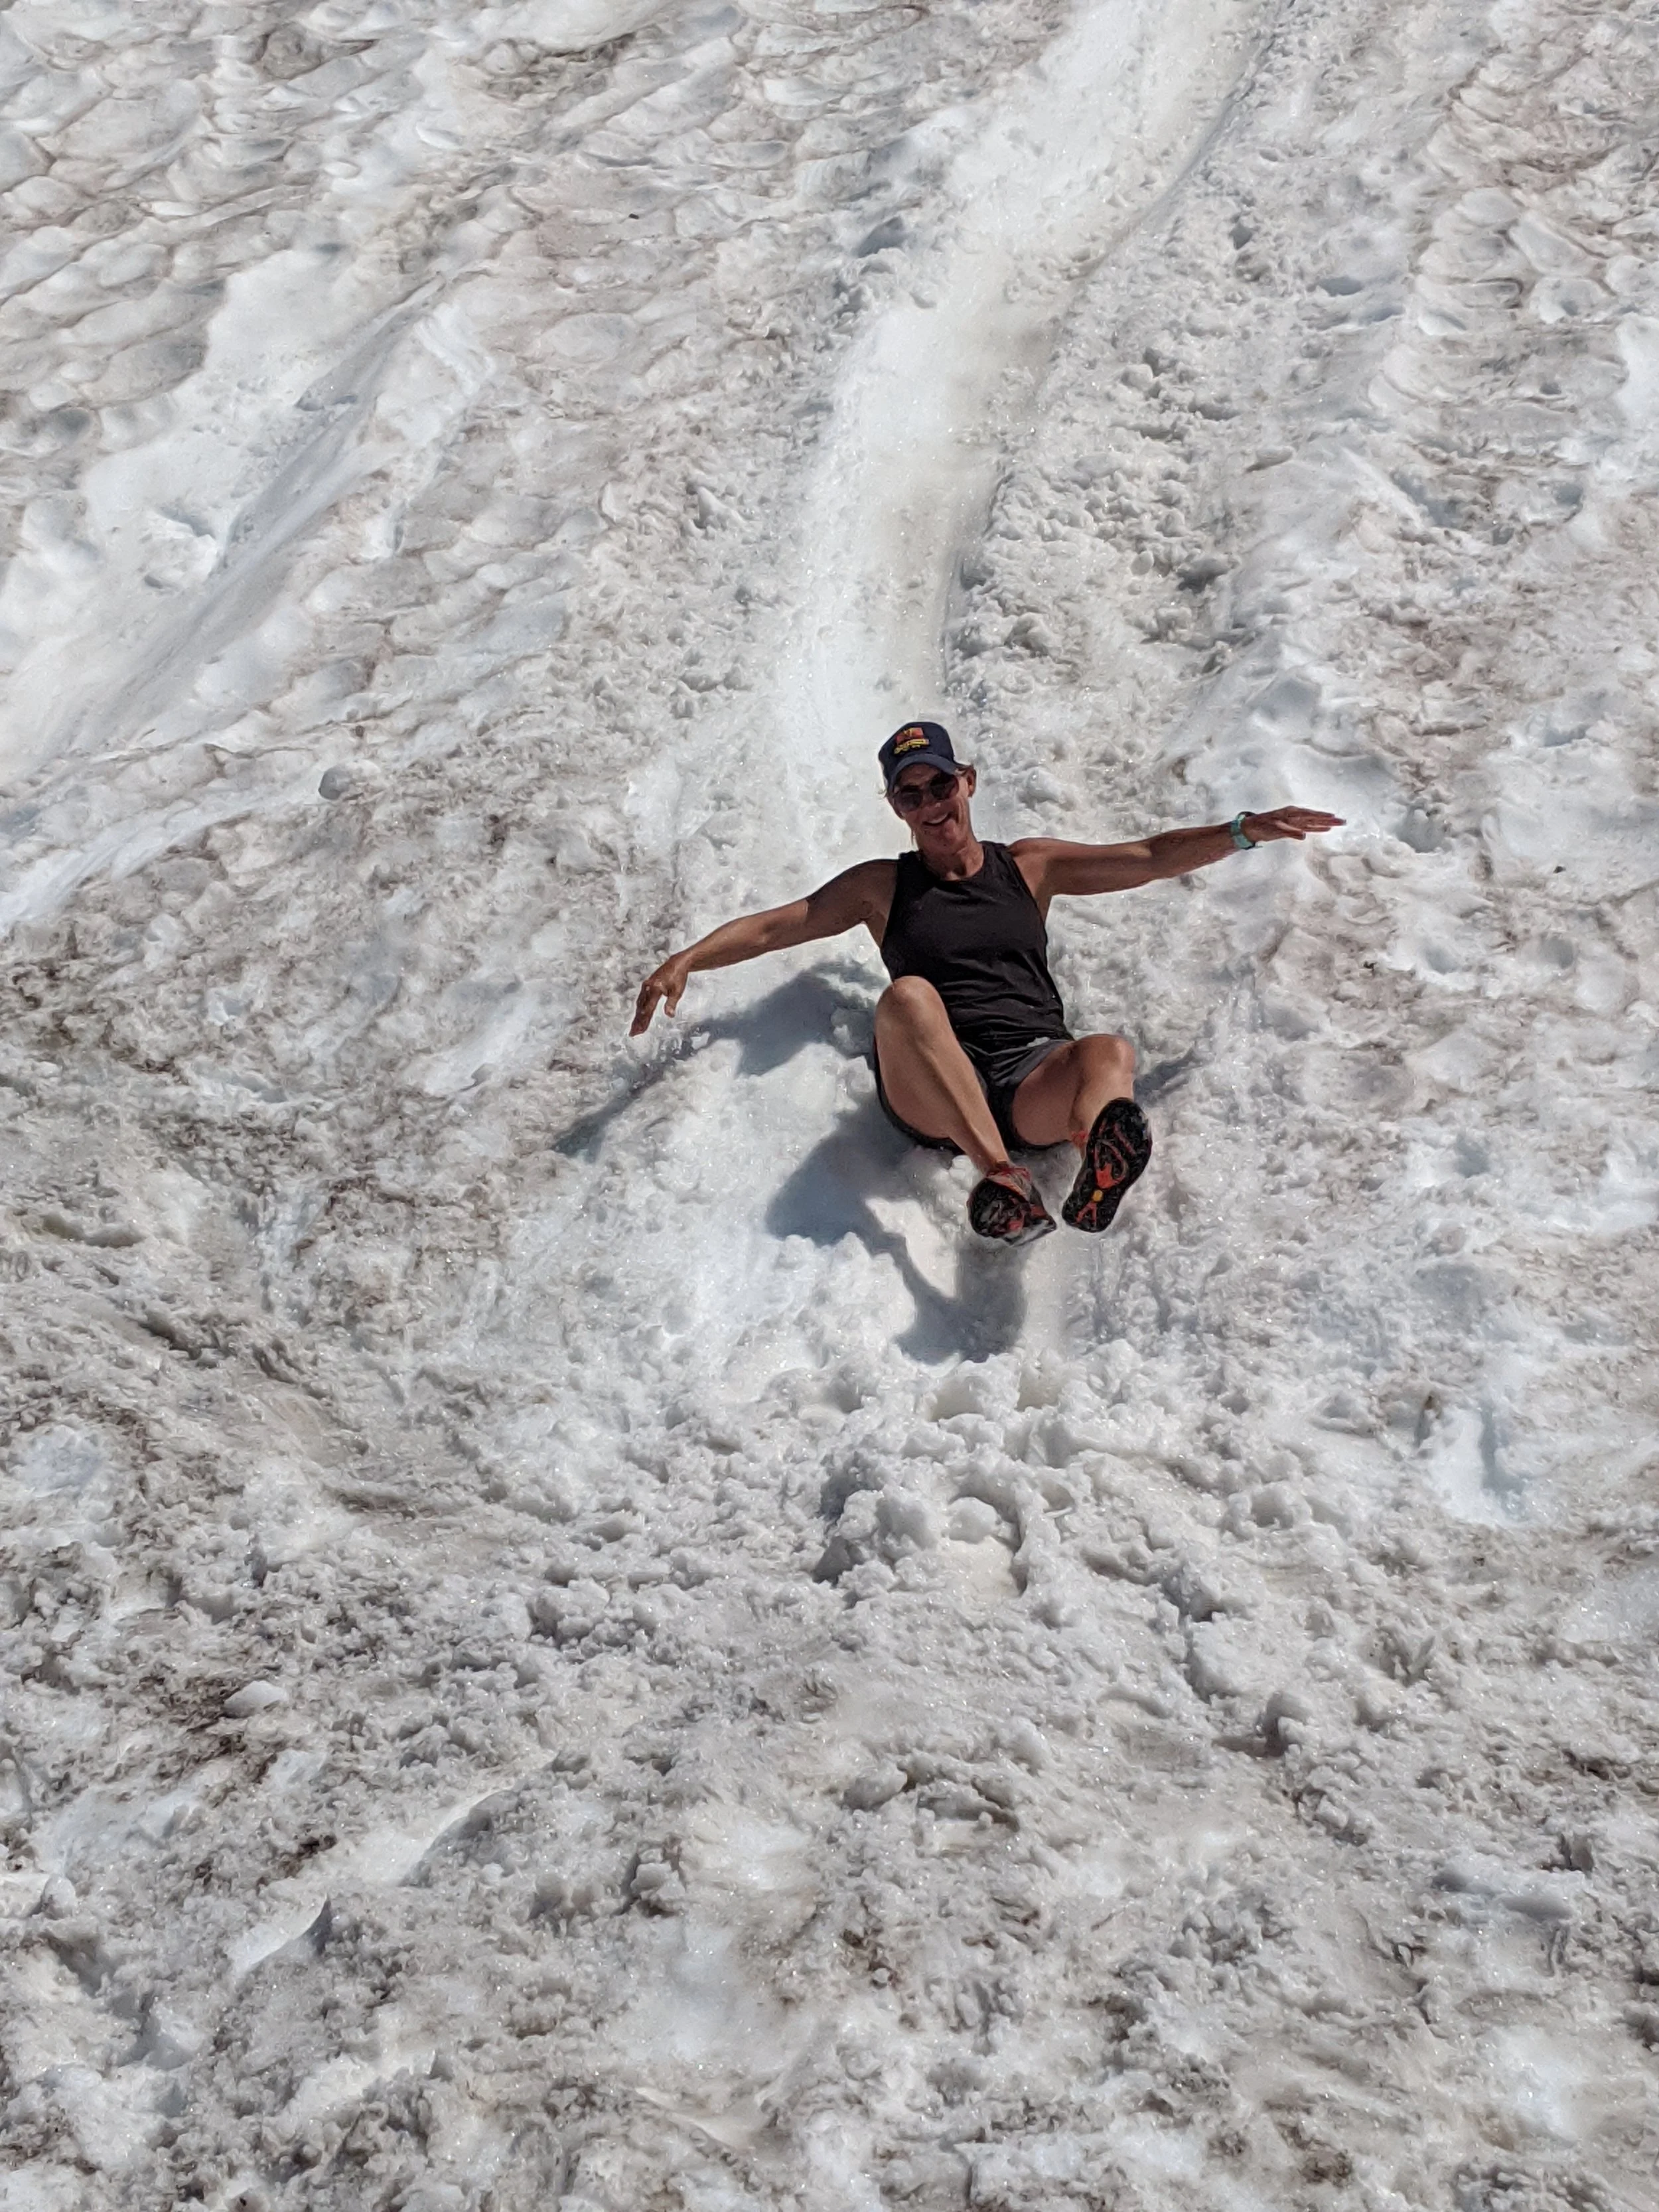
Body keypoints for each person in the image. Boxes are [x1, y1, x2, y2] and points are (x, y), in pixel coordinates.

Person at [632, 721, 1343, 1246]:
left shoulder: (1030, 867)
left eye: (940, 784)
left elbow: (1148, 857)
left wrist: (1243, 830)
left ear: (967, 781)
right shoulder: (883, 888)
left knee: (1107, 1053)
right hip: (936, 1086)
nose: (931, 803)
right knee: (908, 997)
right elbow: (779, 925)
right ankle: (1002, 1179)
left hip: (1029, 1075)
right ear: (896, 809)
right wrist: (687, 959)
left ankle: (1100, 1149)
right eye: (911, 795)